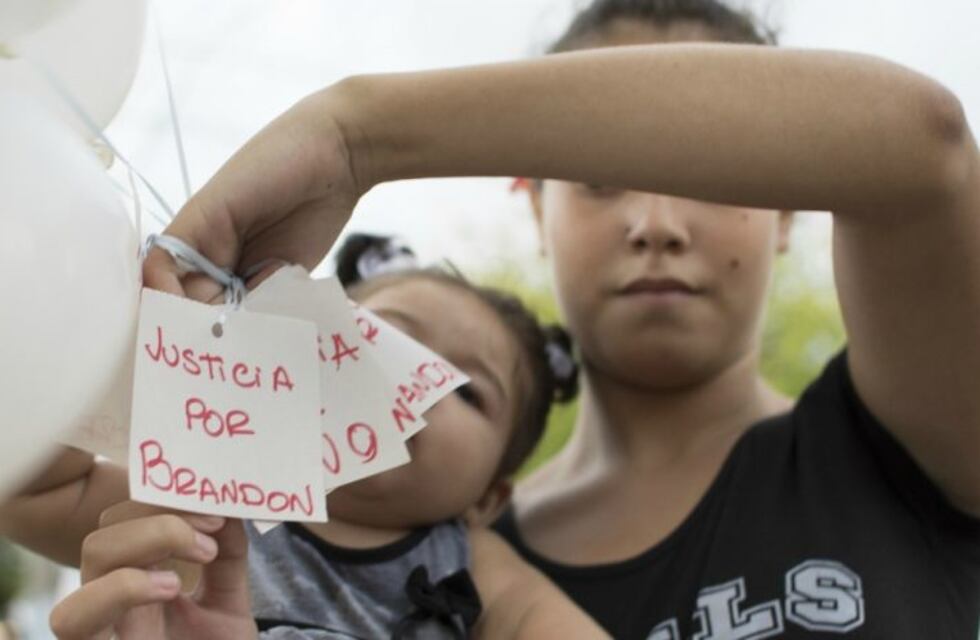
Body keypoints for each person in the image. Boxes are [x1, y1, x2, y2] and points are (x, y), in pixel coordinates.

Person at [8, 0, 980, 636]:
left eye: (715, 180)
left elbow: (920, 148)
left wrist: (358, 132)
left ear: (790, 210)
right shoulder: (419, 526)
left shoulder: (906, 440)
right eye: (599, 178)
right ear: (531, 197)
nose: (654, 223)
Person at [1, 237, 609, 639]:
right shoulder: (214, 492)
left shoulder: (470, 561)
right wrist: (110, 340)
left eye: (465, 389)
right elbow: (30, 489)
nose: (409, 383)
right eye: (378, 339)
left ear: (488, 499)